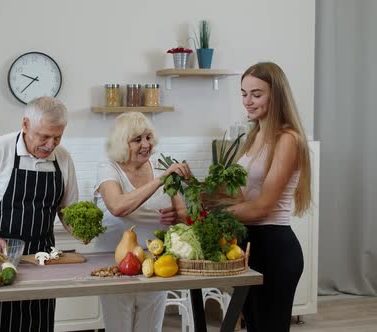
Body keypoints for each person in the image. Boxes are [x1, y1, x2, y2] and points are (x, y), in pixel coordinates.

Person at [197, 62, 311, 332]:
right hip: (249, 246)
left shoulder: (288, 139)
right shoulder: (254, 135)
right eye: (243, 93)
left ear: (277, 96)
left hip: (275, 247)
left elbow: (262, 207)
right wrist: (199, 192)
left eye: (256, 94)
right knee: (253, 326)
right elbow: (241, 195)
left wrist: (211, 217)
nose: (248, 101)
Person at [0, 96, 79, 332]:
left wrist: (79, 229)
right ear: (25, 125)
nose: (50, 144)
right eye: (44, 136)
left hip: (42, 262)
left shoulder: (63, 159)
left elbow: (67, 210)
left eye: (57, 137)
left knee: (39, 325)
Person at [93, 112, 191, 332]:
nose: (146, 144)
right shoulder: (109, 168)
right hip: (115, 268)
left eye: (148, 137)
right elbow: (118, 206)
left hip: (155, 265)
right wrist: (160, 180)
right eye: (137, 140)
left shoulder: (162, 166)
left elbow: (186, 216)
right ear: (122, 143)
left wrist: (177, 216)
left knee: (151, 329)